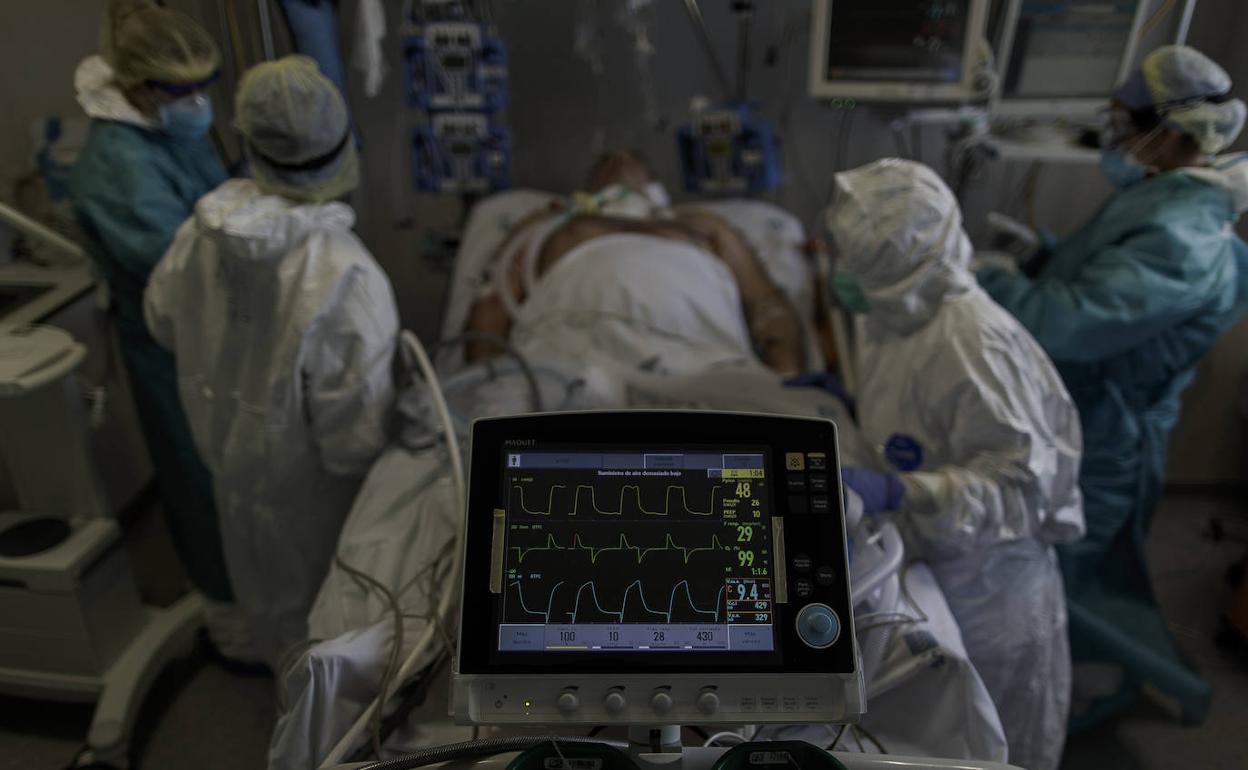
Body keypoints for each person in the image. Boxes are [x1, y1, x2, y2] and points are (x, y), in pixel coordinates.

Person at [977, 45, 1248, 729]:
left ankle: (1080, 695)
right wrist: (1038, 253)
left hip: (1109, 435)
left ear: (1175, 131)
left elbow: (1069, 324)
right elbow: (1097, 279)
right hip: (1088, 408)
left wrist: (989, 280)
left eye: (1125, 121)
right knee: (1081, 568)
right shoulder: (1159, 195)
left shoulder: (1182, 236)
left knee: (1070, 578)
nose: (1115, 135)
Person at [819, 159, 1085, 770]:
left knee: (994, 742)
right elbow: (923, 415)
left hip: (992, 585)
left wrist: (902, 491)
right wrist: (848, 401)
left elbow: (1021, 489)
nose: (844, 275)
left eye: (860, 264)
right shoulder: (899, 314)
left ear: (903, 268)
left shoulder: (974, 344)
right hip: (939, 556)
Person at [144, 55, 399, 668]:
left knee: (270, 618)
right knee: (322, 642)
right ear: (342, 144)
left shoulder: (200, 233)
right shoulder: (346, 273)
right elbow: (353, 442)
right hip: (316, 504)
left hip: (233, 479)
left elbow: (160, 320)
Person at [68, 0, 238, 647]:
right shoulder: (115, 171)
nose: (198, 102)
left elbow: (212, 200)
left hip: (209, 333)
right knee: (198, 472)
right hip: (169, 344)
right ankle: (230, 620)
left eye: (203, 86)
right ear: (136, 87)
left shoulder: (169, 130)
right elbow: (182, 269)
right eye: (181, 90)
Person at [463, 149, 806, 374]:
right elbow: (492, 305)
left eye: (632, 159)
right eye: (608, 163)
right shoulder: (549, 222)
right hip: (569, 351)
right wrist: (483, 385)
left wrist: (785, 381)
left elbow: (768, 306)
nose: (621, 160)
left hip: (698, 352)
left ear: (655, 187)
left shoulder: (699, 225)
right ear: (589, 189)